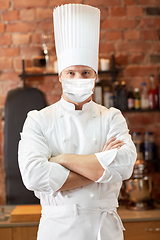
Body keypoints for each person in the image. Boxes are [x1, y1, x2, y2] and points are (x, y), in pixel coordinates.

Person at [18, 4, 137, 240]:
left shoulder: (111, 117)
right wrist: (100, 167)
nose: (78, 79)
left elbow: (124, 165)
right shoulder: (39, 120)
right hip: (58, 231)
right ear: (60, 75)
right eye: (71, 72)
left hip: (103, 231)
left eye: (86, 73)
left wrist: (62, 160)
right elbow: (33, 175)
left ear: (95, 77)